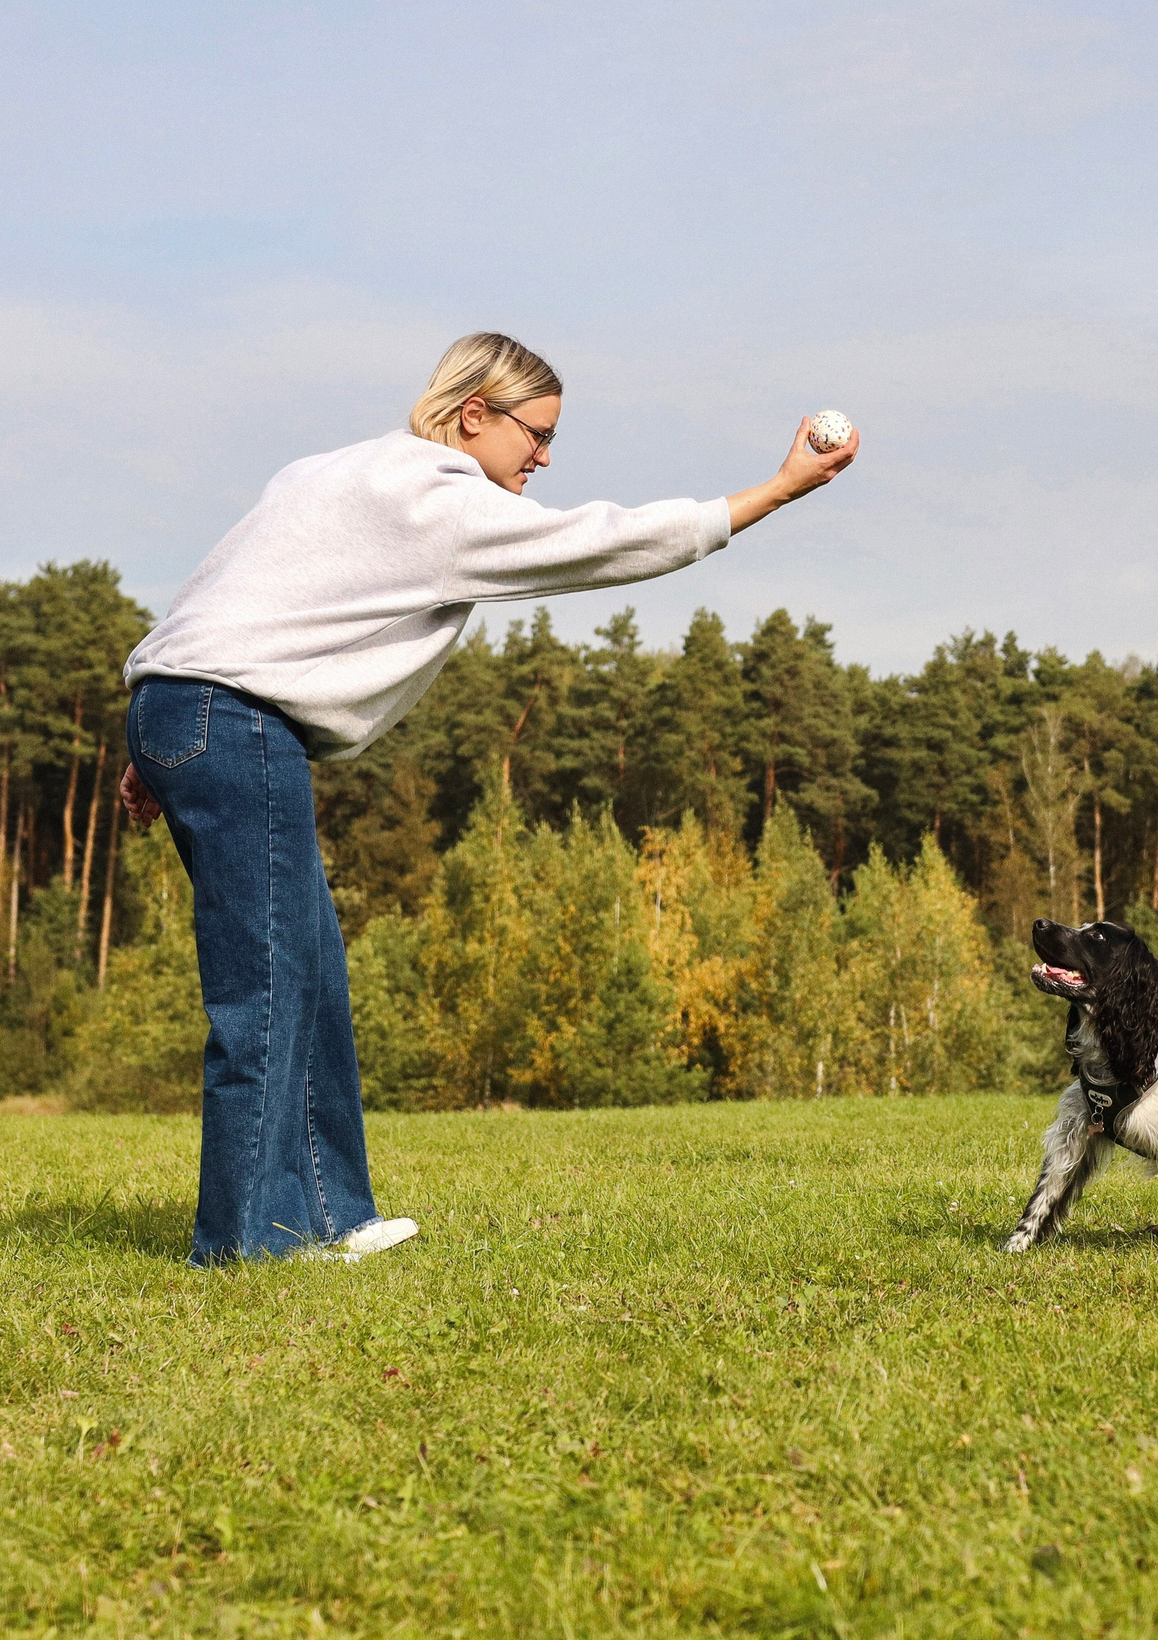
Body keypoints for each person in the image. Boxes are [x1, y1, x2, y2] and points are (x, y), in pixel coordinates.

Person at [115, 332, 857, 1265]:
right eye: (535, 435)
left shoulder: (331, 471)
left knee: (310, 975)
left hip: (185, 706)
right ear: (475, 414)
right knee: (264, 990)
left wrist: (161, 737)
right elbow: (609, 542)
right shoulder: (442, 501)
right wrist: (778, 490)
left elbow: (230, 589)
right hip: (234, 720)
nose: (543, 458)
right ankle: (239, 1248)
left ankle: (330, 1217)